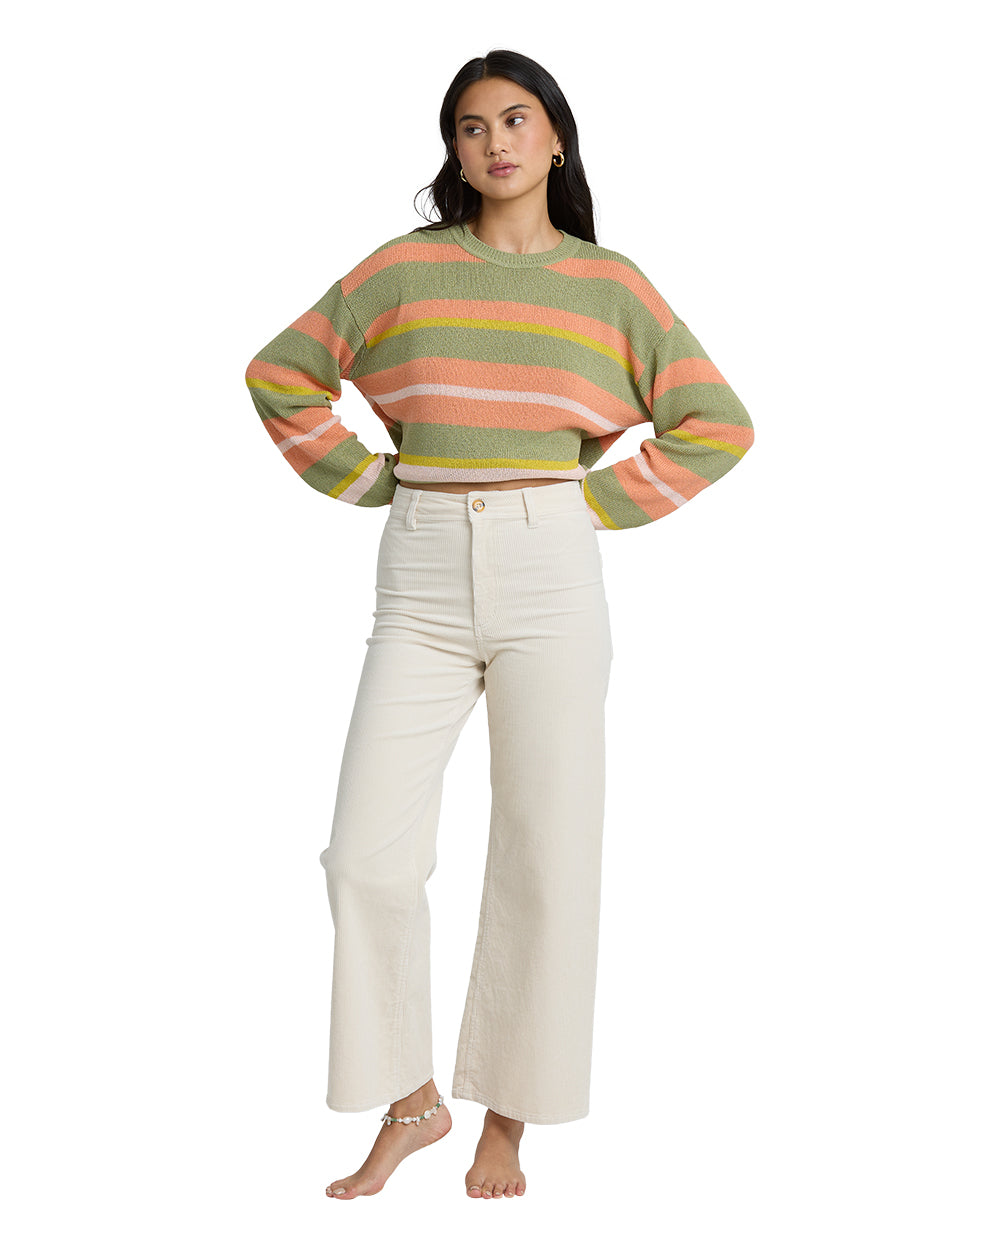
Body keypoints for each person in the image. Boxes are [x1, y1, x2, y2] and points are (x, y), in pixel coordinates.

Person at [244, 48, 754, 1202]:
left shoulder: (610, 285)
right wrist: (366, 480)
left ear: (555, 138)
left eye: (515, 120)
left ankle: (507, 1120)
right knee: (365, 855)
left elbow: (716, 421)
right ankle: (411, 1099)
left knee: (545, 847)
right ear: (455, 149)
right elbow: (281, 373)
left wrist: (592, 503)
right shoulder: (403, 268)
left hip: (548, 566)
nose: (494, 143)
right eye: (471, 127)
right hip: (420, 566)